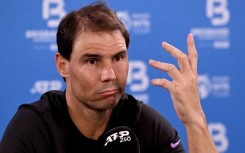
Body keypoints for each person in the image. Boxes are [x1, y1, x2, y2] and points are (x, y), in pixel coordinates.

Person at [0, 2, 218, 153]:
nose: (110, 74)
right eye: (92, 61)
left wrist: (194, 119)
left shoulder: (145, 124)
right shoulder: (34, 127)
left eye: (118, 58)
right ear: (63, 65)